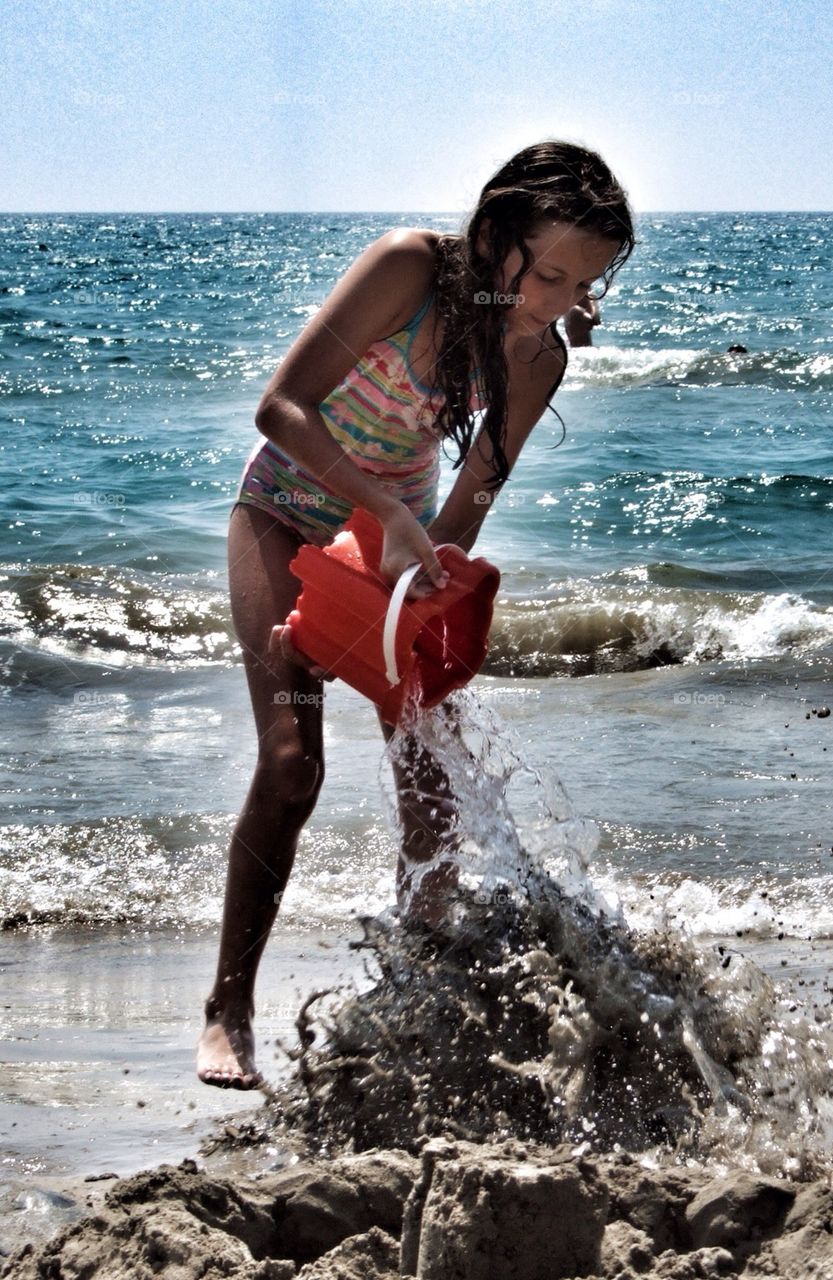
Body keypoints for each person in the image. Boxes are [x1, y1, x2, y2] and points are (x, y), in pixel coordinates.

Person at [196, 139, 636, 1088]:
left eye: (579, 286)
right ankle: (228, 1012)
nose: (555, 302)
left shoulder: (535, 358)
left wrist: (412, 568)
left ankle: (413, 995)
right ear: (492, 236)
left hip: (387, 546)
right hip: (283, 509)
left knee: (433, 778)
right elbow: (279, 409)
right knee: (291, 759)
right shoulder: (408, 268)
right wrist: (386, 517)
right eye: (545, 273)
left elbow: (465, 510)